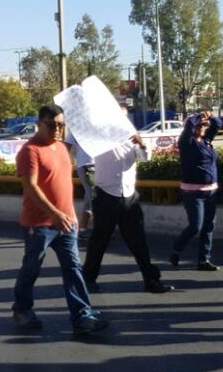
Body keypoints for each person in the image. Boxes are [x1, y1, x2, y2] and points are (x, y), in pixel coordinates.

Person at [12, 104, 108, 336]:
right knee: (32, 268)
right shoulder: (29, 151)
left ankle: (82, 314)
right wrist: (54, 214)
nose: (57, 129)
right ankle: (22, 309)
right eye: (51, 125)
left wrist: (70, 214)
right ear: (39, 124)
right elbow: (31, 188)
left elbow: (63, 185)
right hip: (40, 224)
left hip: (66, 222)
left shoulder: (63, 149)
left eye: (61, 125)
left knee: (73, 267)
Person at [82, 134, 172, 294]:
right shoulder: (99, 139)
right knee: (100, 240)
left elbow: (145, 158)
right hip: (106, 195)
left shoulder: (131, 138)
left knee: (139, 242)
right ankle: (88, 279)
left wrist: (142, 144)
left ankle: (151, 280)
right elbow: (89, 154)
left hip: (129, 196)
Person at [170, 110, 222, 271]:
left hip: (211, 191)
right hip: (192, 193)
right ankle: (176, 249)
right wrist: (198, 117)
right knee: (195, 226)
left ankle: (203, 260)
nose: (202, 127)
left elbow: (217, 125)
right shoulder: (186, 143)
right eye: (199, 125)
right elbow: (189, 125)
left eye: (204, 125)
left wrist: (211, 117)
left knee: (208, 227)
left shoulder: (207, 142)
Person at [64, 131, 96, 234]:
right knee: (94, 197)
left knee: (89, 196)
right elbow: (66, 146)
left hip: (96, 165)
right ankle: (101, 229)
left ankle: (83, 228)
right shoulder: (77, 128)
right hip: (88, 166)